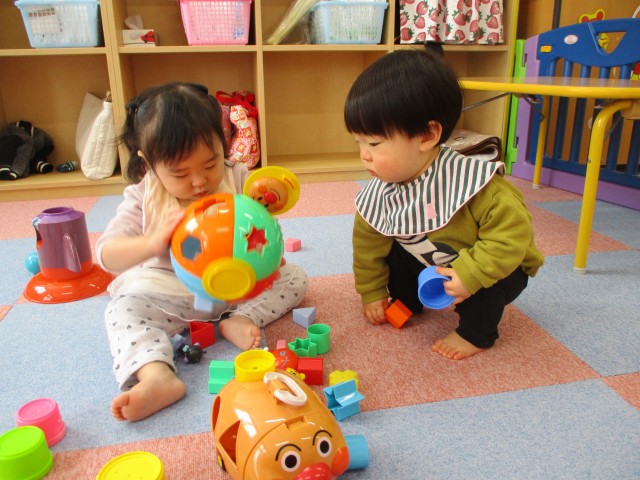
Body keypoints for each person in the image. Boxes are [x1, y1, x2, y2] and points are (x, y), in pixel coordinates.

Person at [97, 82, 307, 422]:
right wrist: (151, 243)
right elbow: (107, 254)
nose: (199, 182)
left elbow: (262, 217)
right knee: (122, 310)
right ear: (148, 163)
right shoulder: (143, 197)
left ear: (222, 143)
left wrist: (269, 242)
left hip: (236, 289)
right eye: (180, 173)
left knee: (294, 277)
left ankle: (239, 321)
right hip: (173, 294)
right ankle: (156, 375)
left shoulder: (236, 177)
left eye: (210, 164)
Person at [344, 49, 544, 360]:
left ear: (427, 135)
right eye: (358, 142)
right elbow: (368, 248)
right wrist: (371, 291)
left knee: (485, 290)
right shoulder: (381, 193)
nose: (364, 155)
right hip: (430, 260)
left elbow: (511, 240)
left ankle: (476, 335)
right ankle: (408, 300)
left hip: (496, 265)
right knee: (392, 252)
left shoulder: (475, 185)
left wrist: (469, 273)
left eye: (374, 143)